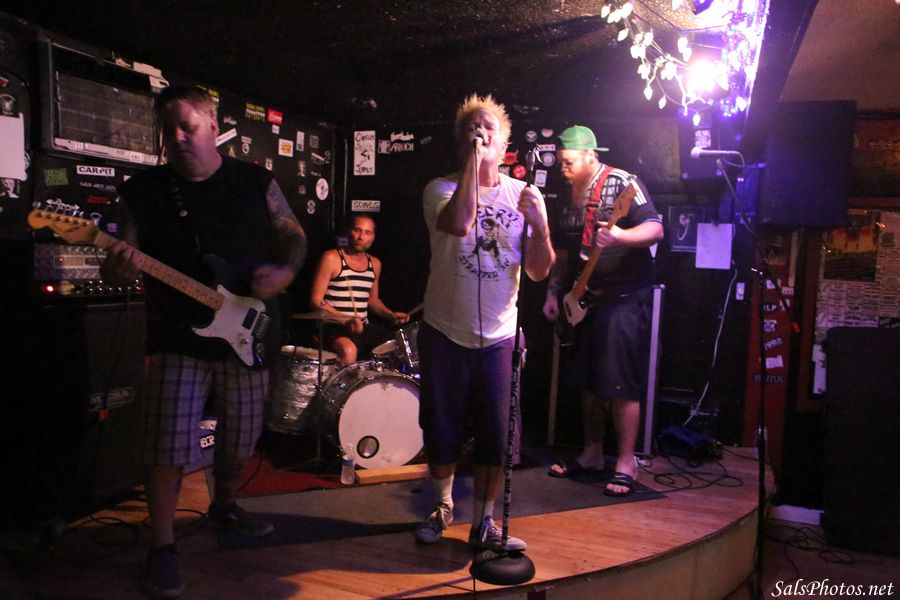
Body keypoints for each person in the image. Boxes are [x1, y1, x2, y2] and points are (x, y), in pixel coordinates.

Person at [100, 86, 307, 599]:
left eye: (186, 126)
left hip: (249, 331)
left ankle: (225, 506)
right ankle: (162, 547)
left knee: (239, 441)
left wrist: (285, 272)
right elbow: (117, 257)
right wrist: (116, 266)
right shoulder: (142, 191)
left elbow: (294, 235)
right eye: (167, 129)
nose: (176, 137)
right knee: (166, 444)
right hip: (175, 336)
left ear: (214, 126)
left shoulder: (254, 181)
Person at [414, 94, 554, 551]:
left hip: (499, 335)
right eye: (474, 128)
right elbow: (460, 223)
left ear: (505, 142)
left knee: (498, 434)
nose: (482, 132)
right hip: (444, 330)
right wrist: (474, 167)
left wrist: (540, 226)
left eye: (490, 128)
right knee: (441, 427)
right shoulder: (439, 189)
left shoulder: (524, 195)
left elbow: (539, 271)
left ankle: (484, 522)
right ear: (463, 141)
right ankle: (441, 507)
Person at [542, 125, 663, 496]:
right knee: (589, 382)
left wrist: (621, 236)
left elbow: (655, 229)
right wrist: (553, 292)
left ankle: (626, 462)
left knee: (620, 382)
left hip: (624, 297)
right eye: (560, 162)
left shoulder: (623, 183)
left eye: (569, 162)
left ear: (591, 155)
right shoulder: (566, 194)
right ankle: (592, 453)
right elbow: (564, 252)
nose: (563, 168)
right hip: (584, 299)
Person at [308, 213, 410, 364]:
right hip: (333, 326)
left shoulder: (375, 264)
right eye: (357, 230)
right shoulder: (331, 258)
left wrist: (391, 315)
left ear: (373, 237)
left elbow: (373, 301)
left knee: (397, 345)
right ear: (348, 231)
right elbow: (316, 301)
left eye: (367, 232)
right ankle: (342, 380)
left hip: (362, 326)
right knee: (348, 350)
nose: (361, 237)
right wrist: (346, 320)